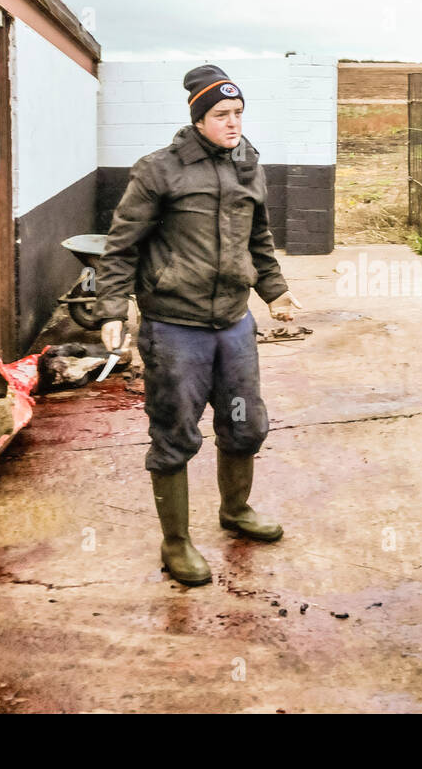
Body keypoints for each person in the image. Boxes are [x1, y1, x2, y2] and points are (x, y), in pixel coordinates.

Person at [93, 65, 302, 587]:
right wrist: (113, 310)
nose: (233, 124)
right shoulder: (159, 170)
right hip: (174, 328)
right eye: (221, 115)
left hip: (233, 324)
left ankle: (235, 512)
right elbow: (121, 247)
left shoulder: (249, 168)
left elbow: (260, 238)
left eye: (238, 114)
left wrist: (273, 290)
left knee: (246, 425)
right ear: (198, 118)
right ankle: (176, 542)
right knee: (174, 435)